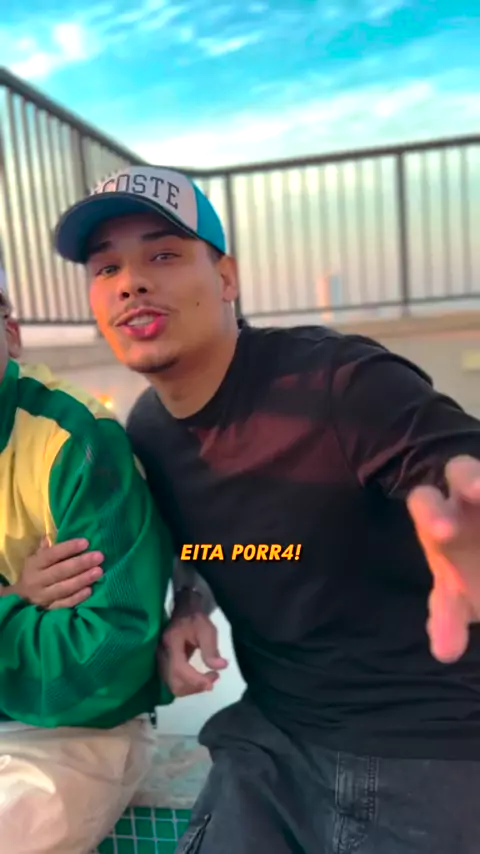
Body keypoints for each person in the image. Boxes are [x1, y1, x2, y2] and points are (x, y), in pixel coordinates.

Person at [42, 163, 480, 852]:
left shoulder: (341, 384)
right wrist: (190, 600)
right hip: (271, 740)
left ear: (226, 278)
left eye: (163, 255)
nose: (130, 283)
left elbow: (459, 479)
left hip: (429, 740)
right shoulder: (148, 431)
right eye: (106, 268)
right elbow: (217, 539)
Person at [0, 276, 174, 853]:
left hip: (69, 732)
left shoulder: (76, 443)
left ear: (11, 334)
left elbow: (107, 655)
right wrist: (16, 598)